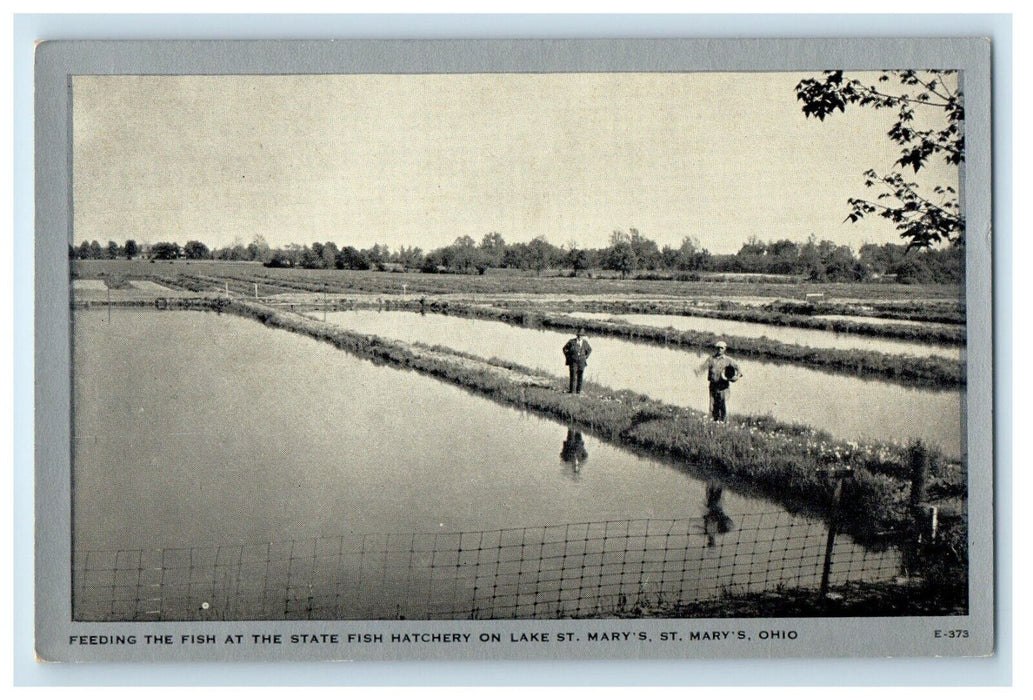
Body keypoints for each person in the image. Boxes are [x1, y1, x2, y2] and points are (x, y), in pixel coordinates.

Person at [697, 340, 742, 421]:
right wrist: (698, 371)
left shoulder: (728, 360)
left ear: (725, 349)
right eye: (718, 348)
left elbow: (738, 368)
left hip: (723, 387)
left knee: (722, 404)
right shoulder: (711, 359)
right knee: (712, 404)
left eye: (721, 348)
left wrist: (737, 376)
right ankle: (714, 421)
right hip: (713, 385)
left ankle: (723, 421)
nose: (719, 349)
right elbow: (703, 367)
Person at [562, 328, 592, 394]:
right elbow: (564, 349)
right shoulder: (571, 341)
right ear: (577, 335)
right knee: (573, 376)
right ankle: (571, 391)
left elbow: (589, 350)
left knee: (580, 376)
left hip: (581, 362)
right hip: (573, 362)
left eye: (581, 335)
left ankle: (578, 391)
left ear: (583, 336)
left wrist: (585, 357)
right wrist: (568, 357)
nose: (580, 337)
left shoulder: (585, 343)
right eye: (579, 335)